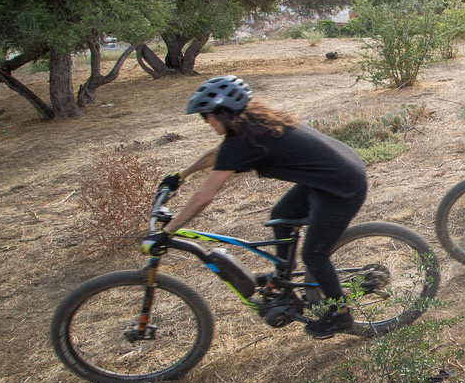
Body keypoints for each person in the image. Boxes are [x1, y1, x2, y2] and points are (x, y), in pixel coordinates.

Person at [141, 75, 369, 339]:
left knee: (315, 255)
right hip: (328, 175)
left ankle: (341, 317)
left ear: (222, 113)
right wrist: (180, 176)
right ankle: (284, 279)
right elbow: (218, 154)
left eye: (205, 116)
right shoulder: (249, 126)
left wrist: (167, 232)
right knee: (281, 216)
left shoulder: (244, 138)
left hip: (342, 185)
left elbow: (205, 196)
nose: (205, 122)